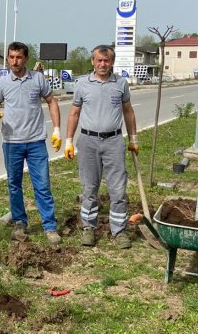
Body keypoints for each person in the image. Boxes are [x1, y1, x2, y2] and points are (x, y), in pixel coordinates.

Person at [64, 45, 139, 248]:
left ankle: (119, 231)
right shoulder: (82, 84)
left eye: (106, 61)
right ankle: (88, 228)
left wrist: (133, 138)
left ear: (112, 62)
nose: (102, 64)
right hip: (88, 142)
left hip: (114, 142)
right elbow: (74, 114)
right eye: (99, 60)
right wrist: (69, 140)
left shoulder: (121, 84)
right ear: (93, 62)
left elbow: (128, 112)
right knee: (89, 188)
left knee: (118, 189)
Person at [0, 42, 63, 245]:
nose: (15, 61)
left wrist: (56, 129)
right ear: (7, 59)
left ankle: (49, 226)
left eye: (19, 57)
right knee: (14, 185)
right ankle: (20, 222)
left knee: (42, 185)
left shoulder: (38, 79)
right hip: (12, 142)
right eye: (11, 57)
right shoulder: (3, 82)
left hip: (36, 141)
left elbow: (52, 102)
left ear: (26, 59)